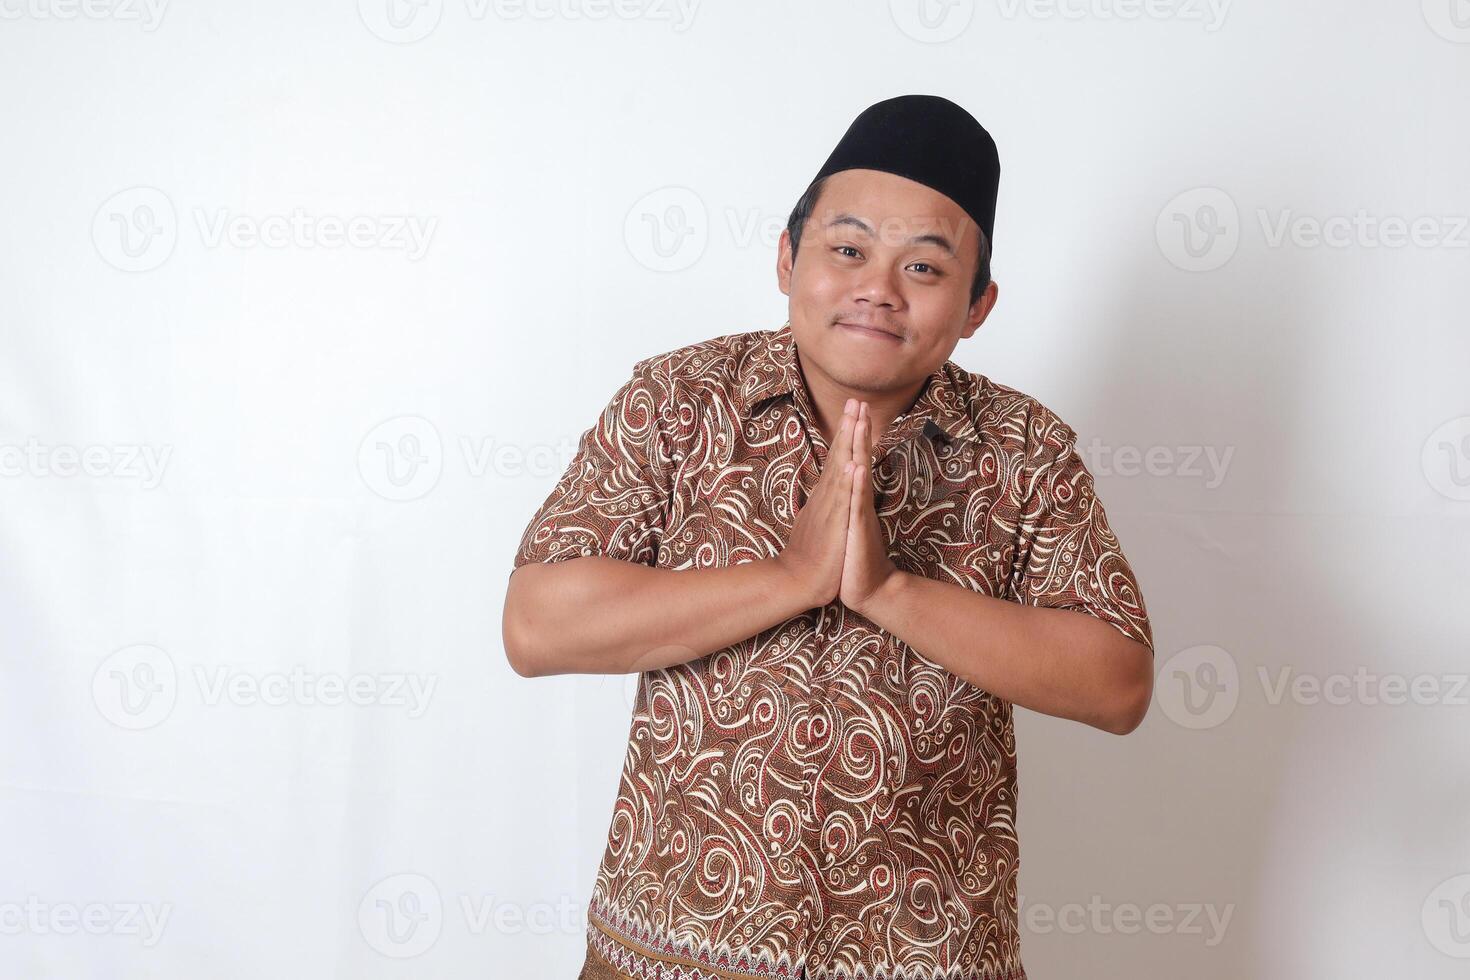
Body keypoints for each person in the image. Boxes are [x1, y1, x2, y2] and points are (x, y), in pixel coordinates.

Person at [504, 94, 1154, 980]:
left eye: (924, 268)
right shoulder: (679, 404)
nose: (876, 289)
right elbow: (537, 627)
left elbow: (1116, 684)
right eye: (847, 250)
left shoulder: (1024, 452)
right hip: (666, 954)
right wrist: (790, 576)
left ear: (977, 305)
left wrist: (891, 592)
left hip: (930, 958)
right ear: (787, 257)